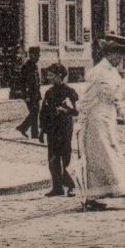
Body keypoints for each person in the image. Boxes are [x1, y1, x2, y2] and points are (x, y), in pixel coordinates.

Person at [78, 34, 125, 211]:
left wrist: (123, 113)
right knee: (107, 157)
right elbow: (88, 98)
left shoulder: (113, 72)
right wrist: (80, 118)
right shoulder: (97, 73)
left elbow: (116, 96)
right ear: (110, 55)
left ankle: (93, 197)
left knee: (104, 158)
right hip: (95, 120)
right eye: (118, 57)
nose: (120, 61)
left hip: (107, 119)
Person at [39, 63, 78, 197]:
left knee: (66, 157)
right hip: (52, 129)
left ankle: (71, 186)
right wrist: (42, 129)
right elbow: (43, 111)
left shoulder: (70, 91)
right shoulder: (49, 92)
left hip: (65, 128)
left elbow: (77, 110)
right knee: (53, 158)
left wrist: (66, 110)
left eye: (51, 75)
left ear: (59, 76)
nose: (49, 77)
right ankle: (57, 187)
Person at [15, 46, 43, 140]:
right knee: (34, 112)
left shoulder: (34, 66)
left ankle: (22, 127)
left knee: (35, 112)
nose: (39, 57)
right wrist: (25, 95)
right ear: (32, 55)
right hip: (29, 94)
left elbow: (36, 80)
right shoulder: (26, 67)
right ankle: (34, 133)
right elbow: (22, 83)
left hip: (35, 93)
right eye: (37, 55)